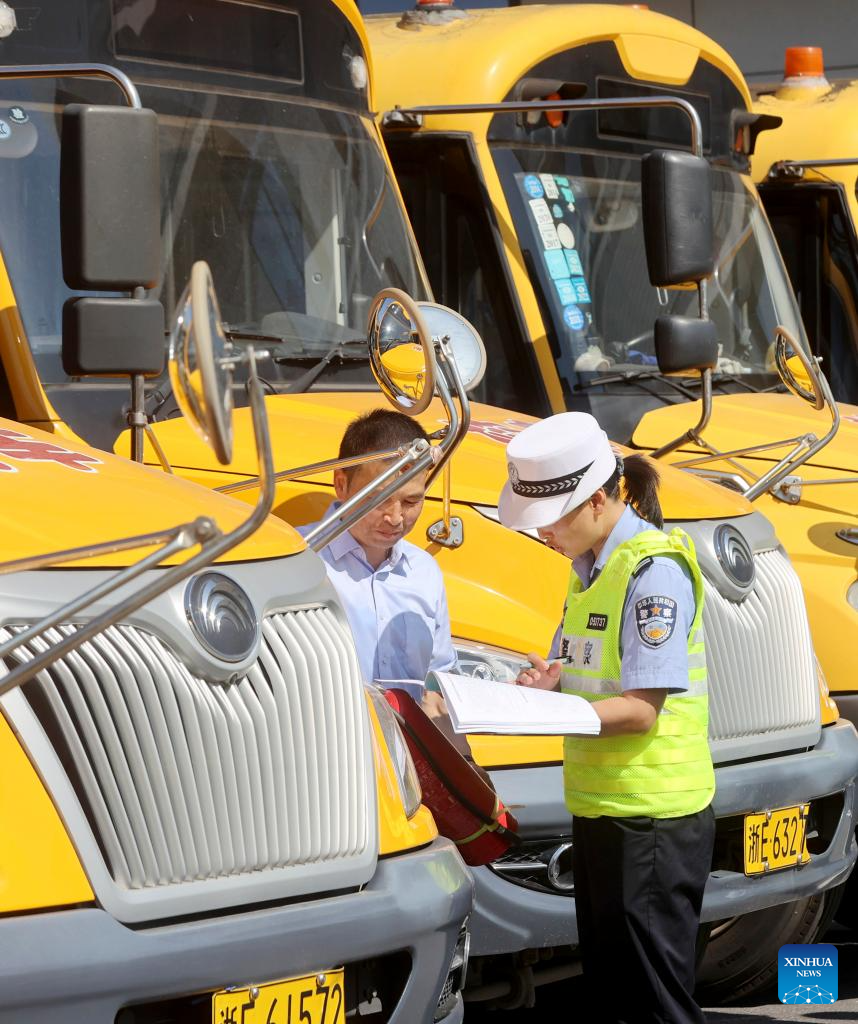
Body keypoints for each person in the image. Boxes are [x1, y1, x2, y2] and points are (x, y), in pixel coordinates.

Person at [497, 411, 715, 1024]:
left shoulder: (653, 574)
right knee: (616, 998)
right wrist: (552, 684)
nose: (543, 534)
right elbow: (593, 669)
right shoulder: (589, 570)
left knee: (656, 1003)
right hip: (606, 809)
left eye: (551, 519)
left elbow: (641, 710)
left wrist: (549, 714)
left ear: (596, 500)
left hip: (652, 818)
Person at [299, 408, 458, 687]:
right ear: (341, 484)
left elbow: (441, 674)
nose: (395, 518)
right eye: (380, 499)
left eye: (411, 502)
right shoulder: (297, 560)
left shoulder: (424, 571)